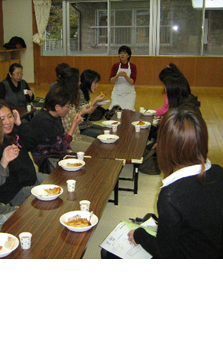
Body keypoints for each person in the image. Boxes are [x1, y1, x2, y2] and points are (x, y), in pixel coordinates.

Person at [126, 108, 223, 258]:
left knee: (108, 253)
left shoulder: (171, 195)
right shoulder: (218, 171)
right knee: (149, 218)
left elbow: (166, 253)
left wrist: (139, 235)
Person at [0, 100, 48, 206]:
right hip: (15, 192)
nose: (8, 122)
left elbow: (33, 141)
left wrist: (20, 124)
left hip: (31, 179)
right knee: (50, 195)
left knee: (57, 182)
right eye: (2, 119)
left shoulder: (14, 133)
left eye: (10, 116)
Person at [19, 85, 82, 168]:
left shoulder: (55, 115)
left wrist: (68, 150)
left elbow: (60, 138)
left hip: (55, 151)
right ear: (57, 107)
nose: (69, 109)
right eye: (68, 106)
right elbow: (60, 146)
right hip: (46, 159)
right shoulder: (44, 121)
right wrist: (74, 125)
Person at [54, 67, 94, 150]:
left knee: (98, 144)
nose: (79, 83)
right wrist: (80, 114)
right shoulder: (62, 100)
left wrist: (81, 112)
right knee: (96, 149)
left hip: (76, 136)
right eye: (78, 81)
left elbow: (73, 121)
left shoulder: (69, 96)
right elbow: (67, 131)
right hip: (70, 142)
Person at [78, 69, 106, 137]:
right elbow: (82, 115)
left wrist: (96, 103)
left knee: (107, 130)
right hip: (79, 128)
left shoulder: (86, 92)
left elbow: (88, 113)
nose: (97, 86)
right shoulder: (78, 94)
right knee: (105, 134)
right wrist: (95, 101)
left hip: (87, 124)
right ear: (88, 82)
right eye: (95, 83)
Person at [109, 45, 137, 111]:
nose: (122, 55)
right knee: (115, 111)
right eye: (121, 53)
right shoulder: (115, 66)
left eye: (124, 53)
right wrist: (117, 75)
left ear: (129, 55)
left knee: (128, 111)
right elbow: (111, 81)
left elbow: (132, 82)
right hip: (117, 94)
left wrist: (125, 76)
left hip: (129, 95)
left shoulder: (133, 66)